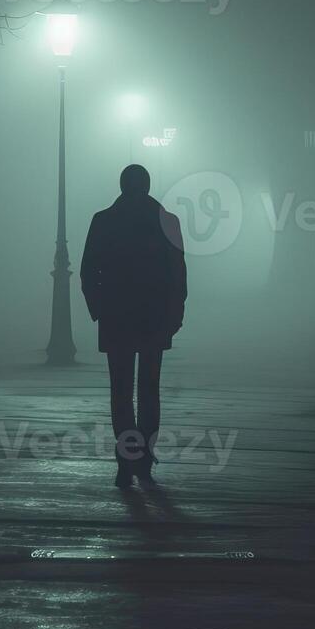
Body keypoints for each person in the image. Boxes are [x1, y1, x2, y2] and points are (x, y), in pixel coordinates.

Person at [80, 164, 187, 488]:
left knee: (121, 392)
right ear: (148, 185)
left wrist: (99, 309)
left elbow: (88, 271)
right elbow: (178, 273)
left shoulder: (104, 220)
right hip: (154, 317)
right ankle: (144, 458)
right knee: (149, 390)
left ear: (122, 185)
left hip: (117, 316)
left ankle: (127, 456)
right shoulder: (167, 221)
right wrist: (174, 314)